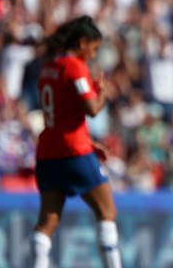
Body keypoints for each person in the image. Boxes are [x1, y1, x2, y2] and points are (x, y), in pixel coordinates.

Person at [32, 15, 122, 268]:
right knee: (107, 212)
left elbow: (60, 115)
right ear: (82, 43)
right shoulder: (74, 66)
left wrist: (89, 141)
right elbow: (92, 108)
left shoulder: (49, 67)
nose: (93, 56)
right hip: (73, 152)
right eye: (93, 49)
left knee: (48, 221)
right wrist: (102, 93)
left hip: (48, 152)